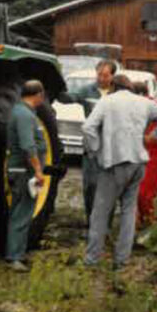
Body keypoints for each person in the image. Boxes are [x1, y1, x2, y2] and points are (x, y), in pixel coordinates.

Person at [82, 74, 157, 269]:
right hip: (138, 162)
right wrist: (153, 137)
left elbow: (88, 127)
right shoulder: (143, 102)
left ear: (112, 86)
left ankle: (92, 259)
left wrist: (95, 150)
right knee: (128, 211)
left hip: (114, 163)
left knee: (100, 213)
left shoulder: (106, 102)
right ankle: (122, 259)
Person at [58, 59, 117, 222]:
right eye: (99, 75)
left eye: (105, 75)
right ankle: (91, 220)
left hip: (112, 146)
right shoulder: (87, 90)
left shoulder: (118, 92)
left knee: (110, 185)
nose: (102, 78)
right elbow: (69, 97)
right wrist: (56, 88)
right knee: (90, 185)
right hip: (91, 147)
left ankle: (107, 223)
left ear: (112, 76)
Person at [5, 80, 47, 272]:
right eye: (42, 94)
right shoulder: (24, 116)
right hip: (24, 172)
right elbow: (27, 146)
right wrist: (38, 171)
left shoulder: (22, 113)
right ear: (38, 94)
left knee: (20, 212)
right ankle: (14, 257)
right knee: (21, 214)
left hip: (21, 171)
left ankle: (17, 254)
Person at [131, 81, 157, 227]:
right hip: (136, 152)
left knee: (145, 191)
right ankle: (138, 220)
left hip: (152, 153)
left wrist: (155, 136)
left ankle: (148, 220)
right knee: (135, 190)